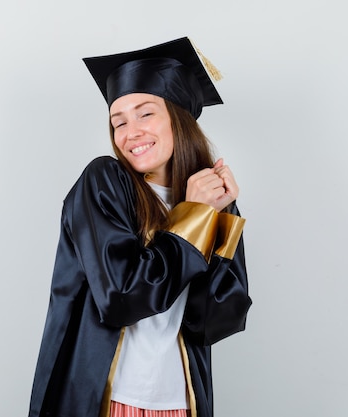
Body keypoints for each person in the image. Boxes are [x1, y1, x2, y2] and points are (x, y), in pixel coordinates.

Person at [28, 37, 251, 417]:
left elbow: (214, 321)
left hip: (181, 403)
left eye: (145, 114)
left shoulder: (210, 202)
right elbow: (121, 298)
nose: (130, 132)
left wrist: (221, 221)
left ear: (179, 117)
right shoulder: (104, 182)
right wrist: (193, 216)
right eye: (119, 121)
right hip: (107, 400)